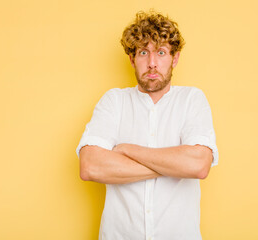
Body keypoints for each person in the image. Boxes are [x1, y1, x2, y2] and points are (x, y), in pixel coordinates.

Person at [76, 10, 219, 240]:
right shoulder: (114, 101)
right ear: (132, 58)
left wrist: (128, 150)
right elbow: (90, 166)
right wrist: (173, 166)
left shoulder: (192, 99)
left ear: (175, 58)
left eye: (161, 52)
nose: (152, 63)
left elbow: (199, 165)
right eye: (144, 52)